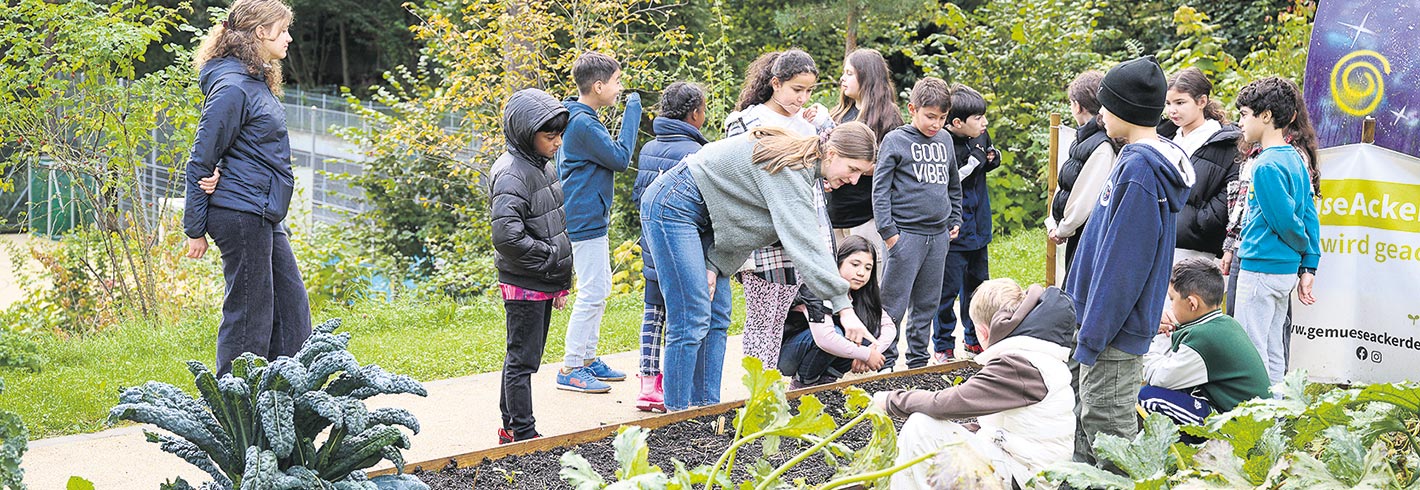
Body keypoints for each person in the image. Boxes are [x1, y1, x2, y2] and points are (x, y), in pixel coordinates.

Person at [640, 122, 878, 412]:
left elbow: (749, 222)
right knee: (691, 315)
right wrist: (844, 307)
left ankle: (705, 411)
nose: (854, 181)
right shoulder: (793, 168)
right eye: (853, 169)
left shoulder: (804, 170)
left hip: (704, 218)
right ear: (832, 153)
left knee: (717, 315)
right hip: (674, 204)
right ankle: (676, 416)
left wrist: (714, 263)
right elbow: (807, 244)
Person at [1065, 55, 1193, 470]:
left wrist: (1093, 332)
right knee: (1087, 420)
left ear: (1125, 109)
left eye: (1106, 103)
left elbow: (1123, 266)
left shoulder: (1140, 169)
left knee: (1110, 432)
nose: (1099, 111)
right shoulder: (1134, 158)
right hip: (1101, 325)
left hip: (1112, 334)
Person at [183, 0, 311, 377]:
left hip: (262, 209)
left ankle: (286, 398)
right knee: (249, 319)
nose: (288, 37)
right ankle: (235, 409)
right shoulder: (234, 87)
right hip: (240, 213)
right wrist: (195, 229)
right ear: (260, 32)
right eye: (282, 29)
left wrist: (227, 170)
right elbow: (201, 158)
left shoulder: (252, 79)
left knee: (291, 309)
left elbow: (241, 147)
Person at [875, 279, 1077, 489]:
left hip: (1029, 477)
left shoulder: (1017, 364)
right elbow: (999, 427)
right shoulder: (1033, 355)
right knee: (937, 434)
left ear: (982, 332)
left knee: (920, 428)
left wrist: (890, 400)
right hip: (1028, 465)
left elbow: (949, 403)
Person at [722, 49, 835, 369]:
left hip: (803, 233)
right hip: (764, 236)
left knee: (779, 320)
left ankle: (770, 391)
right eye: (797, 89)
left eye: (809, 90)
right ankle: (756, 394)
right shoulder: (747, 120)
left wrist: (824, 122)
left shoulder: (809, 124)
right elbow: (737, 179)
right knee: (762, 322)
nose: (803, 98)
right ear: (775, 83)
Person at [489, 88, 574, 444]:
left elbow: (553, 224)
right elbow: (507, 238)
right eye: (549, 136)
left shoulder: (542, 166)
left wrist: (559, 280)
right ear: (526, 134)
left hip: (541, 280)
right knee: (522, 361)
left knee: (523, 358)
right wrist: (550, 259)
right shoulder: (512, 173)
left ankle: (511, 425)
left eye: (559, 135)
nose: (556, 143)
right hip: (525, 282)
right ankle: (522, 432)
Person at [556, 51, 643, 394]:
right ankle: (571, 366)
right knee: (592, 292)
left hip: (590, 215)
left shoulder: (581, 118)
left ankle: (588, 359)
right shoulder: (583, 123)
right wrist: (633, 112)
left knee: (600, 288)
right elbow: (621, 158)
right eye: (617, 82)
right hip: (583, 218)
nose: (620, 88)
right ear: (598, 85)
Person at [1232, 76, 1321, 385]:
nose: (1240, 122)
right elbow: (1310, 213)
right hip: (1282, 272)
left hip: (1260, 269)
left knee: (1250, 350)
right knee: (1272, 350)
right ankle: (1276, 419)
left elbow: (1286, 222)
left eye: (1244, 114)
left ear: (1266, 116)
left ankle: (1255, 424)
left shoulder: (1266, 164)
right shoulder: (1295, 158)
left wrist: (1302, 247)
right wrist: (1309, 260)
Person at [873, 77, 962, 370]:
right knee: (893, 304)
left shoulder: (946, 140)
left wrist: (955, 218)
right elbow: (880, 189)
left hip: (938, 237)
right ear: (913, 109)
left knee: (927, 303)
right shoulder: (896, 140)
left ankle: (918, 362)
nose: (936, 124)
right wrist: (889, 233)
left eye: (942, 118)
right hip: (905, 235)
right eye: (930, 116)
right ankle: (885, 361)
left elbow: (953, 184)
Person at [630, 81, 709, 413]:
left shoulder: (650, 147)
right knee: (681, 316)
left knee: (653, 314)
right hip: (681, 245)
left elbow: (638, 193)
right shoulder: (696, 152)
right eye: (704, 110)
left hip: (651, 241)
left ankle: (648, 383)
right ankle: (682, 384)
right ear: (694, 114)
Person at [1142, 258, 1270, 426]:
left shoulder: (1204, 338)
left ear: (1192, 303)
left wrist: (1152, 340)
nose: (1170, 307)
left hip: (1240, 429)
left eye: (1172, 299)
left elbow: (1160, 378)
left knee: (1148, 397)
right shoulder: (1223, 324)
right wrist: (1172, 327)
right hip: (1254, 420)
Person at [934, 84, 1000, 362]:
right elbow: (949, 181)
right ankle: (942, 345)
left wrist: (993, 158)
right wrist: (973, 161)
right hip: (954, 231)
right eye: (978, 118)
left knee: (978, 288)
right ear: (957, 122)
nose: (984, 123)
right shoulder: (942, 143)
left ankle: (974, 338)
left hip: (979, 226)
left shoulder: (980, 135)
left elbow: (989, 156)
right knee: (946, 292)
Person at [777, 235, 895, 388]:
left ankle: (827, 384)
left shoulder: (861, 295)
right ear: (838, 263)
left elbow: (888, 326)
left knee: (862, 334)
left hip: (819, 347)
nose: (861, 273)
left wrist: (872, 350)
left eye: (867, 268)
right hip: (787, 354)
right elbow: (825, 339)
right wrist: (865, 354)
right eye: (855, 264)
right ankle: (802, 385)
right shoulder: (818, 289)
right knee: (838, 335)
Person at [1158, 67, 1242, 265]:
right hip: (1161, 242)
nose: (1172, 110)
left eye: (1180, 103)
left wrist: (1197, 222)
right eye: (1168, 103)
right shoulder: (1165, 138)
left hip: (1198, 251)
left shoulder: (1225, 142)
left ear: (1202, 101)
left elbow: (1228, 198)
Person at [826, 48, 904, 252]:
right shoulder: (837, 115)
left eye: (849, 73)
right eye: (843, 73)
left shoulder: (889, 116)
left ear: (867, 76)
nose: (842, 79)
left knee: (869, 278)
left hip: (868, 216)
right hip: (834, 215)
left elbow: (898, 166)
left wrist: (859, 167)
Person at [1048, 70, 1118, 271]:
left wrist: (1063, 228)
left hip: (1088, 235)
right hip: (1076, 232)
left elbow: (1086, 196)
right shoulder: (1084, 138)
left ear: (1078, 106)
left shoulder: (1101, 145)